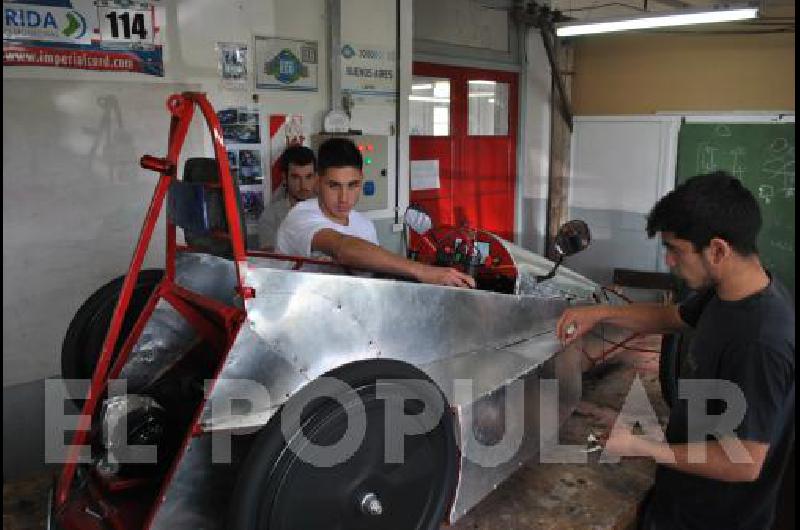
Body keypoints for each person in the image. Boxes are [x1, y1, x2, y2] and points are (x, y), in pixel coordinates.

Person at [557, 171, 794, 530]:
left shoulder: (760, 340)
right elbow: (671, 318)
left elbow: (744, 461)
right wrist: (600, 312)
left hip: (714, 518)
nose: (669, 261)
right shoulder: (729, 292)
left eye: (675, 250)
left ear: (717, 250)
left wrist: (645, 447)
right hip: (680, 497)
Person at [276, 137, 475, 288]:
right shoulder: (300, 216)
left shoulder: (364, 225)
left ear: (361, 180)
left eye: (352, 185)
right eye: (334, 186)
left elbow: (376, 275)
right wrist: (422, 271)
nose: (344, 198)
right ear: (318, 182)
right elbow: (342, 248)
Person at [258, 145, 317, 250]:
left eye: (308, 177)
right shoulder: (271, 216)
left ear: (316, 177)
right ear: (285, 178)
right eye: (296, 177)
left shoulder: (329, 210)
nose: (303, 185)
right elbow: (269, 257)